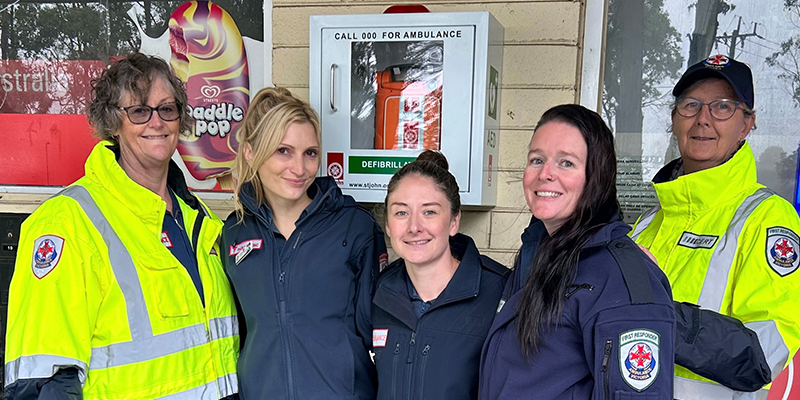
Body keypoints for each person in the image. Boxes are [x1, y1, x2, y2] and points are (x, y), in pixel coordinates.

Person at [3, 53, 239, 399]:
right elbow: (43, 382)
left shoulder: (200, 219)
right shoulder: (68, 223)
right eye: (140, 111)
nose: (156, 122)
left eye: (167, 109)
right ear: (113, 122)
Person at [630, 55, 800, 399]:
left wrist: (654, 317)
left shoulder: (767, 218)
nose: (702, 119)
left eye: (722, 107)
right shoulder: (647, 222)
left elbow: (762, 355)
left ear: (746, 123)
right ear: (675, 120)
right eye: (690, 105)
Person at [479, 104, 675, 399]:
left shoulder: (619, 275)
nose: (545, 174)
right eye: (537, 159)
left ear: (596, 176)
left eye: (566, 163)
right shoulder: (539, 250)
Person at [222, 87, 387, 400]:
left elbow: (378, 337)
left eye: (310, 153)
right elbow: (237, 335)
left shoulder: (354, 227)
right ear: (251, 153)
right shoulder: (235, 234)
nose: (299, 169)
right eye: (283, 151)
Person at [372, 151, 509, 400]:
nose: (414, 227)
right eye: (401, 212)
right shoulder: (379, 293)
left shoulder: (499, 294)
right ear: (388, 226)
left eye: (430, 212)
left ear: (454, 221)